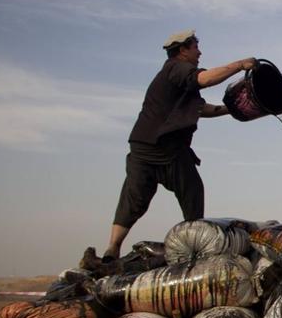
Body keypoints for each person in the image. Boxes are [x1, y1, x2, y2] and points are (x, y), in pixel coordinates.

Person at [102, 30, 256, 261]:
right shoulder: (176, 68)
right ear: (183, 50)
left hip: (163, 150)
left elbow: (203, 109)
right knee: (147, 198)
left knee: (174, 193)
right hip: (154, 149)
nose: (200, 51)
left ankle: (188, 243)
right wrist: (240, 65)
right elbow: (205, 79)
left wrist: (232, 109)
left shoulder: (180, 81)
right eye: (196, 47)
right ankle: (115, 250)